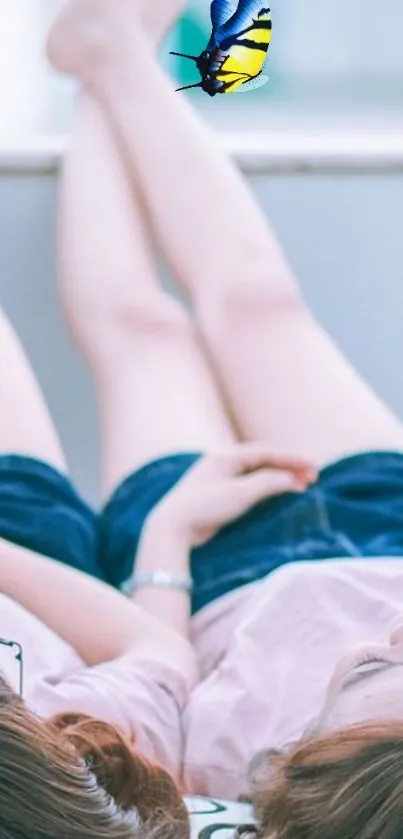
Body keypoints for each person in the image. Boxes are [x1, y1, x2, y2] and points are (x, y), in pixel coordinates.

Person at [3, 0, 403, 834]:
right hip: (385, 522)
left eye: (381, 662)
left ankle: (106, 57)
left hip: (225, 565)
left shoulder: (224, 756)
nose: (393, 631)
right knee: (260, 304)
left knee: (144, 332)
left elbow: (159, 667)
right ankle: (116, 57)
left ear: (309, 754)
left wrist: (167, 540)